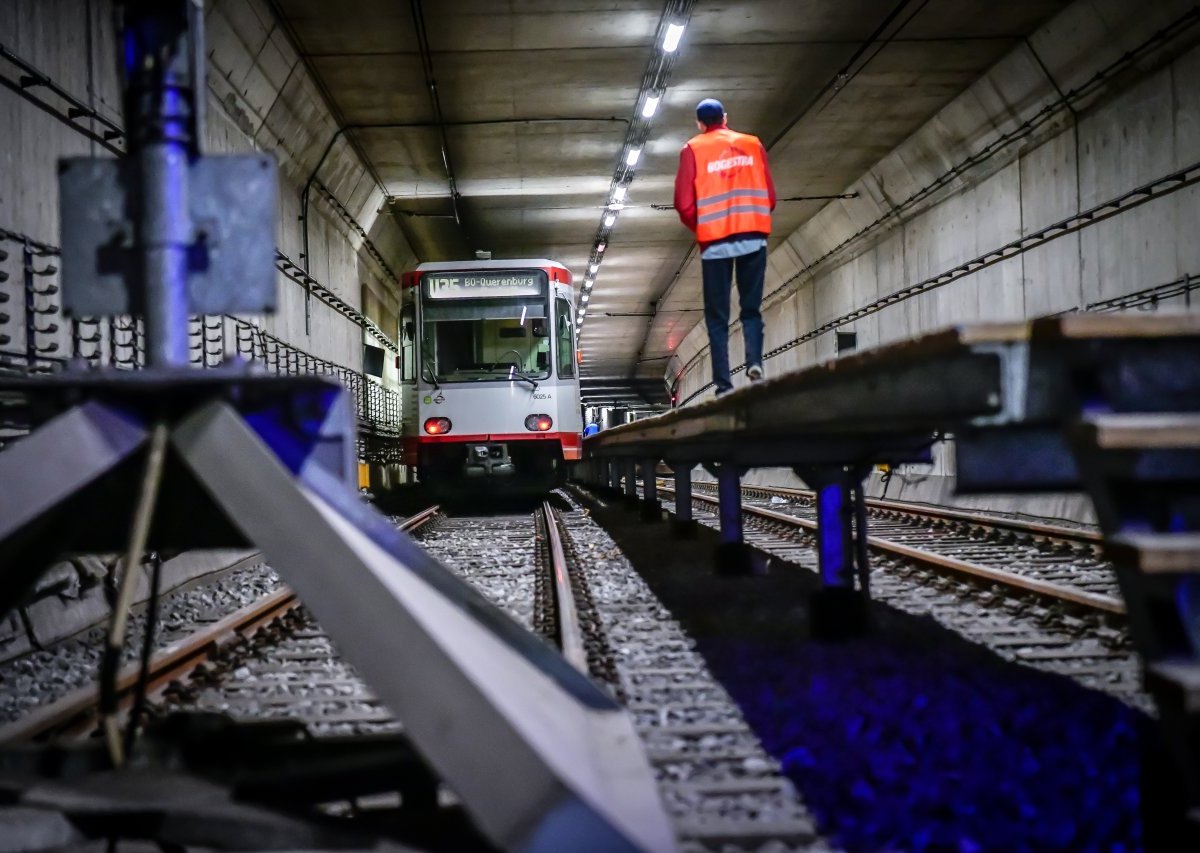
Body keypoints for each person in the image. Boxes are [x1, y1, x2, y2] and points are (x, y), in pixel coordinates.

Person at [674, 98, 776, 397]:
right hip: (753, 237)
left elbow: (683, 204)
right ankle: (754, 362)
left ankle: (723, 385)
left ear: (699, 123)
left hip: (715, 243)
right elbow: (770, 196)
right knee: (751, 309)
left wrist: (704, 227)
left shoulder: (692, 149)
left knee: (717, 317)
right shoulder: (752, 144)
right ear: (725, 118)